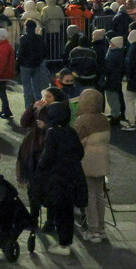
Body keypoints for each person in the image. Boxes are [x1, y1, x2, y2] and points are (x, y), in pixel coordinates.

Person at [34, 101, 86, 255]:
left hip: (58, 179)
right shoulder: (70, 131)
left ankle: (63, 245)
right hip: (72, 176)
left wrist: (40, 167)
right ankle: (66, 241)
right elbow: (80, 152)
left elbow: (48, 156)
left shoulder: (52, 132)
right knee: (68, 212)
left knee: (60, 212)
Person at [72, 88, 111, 242]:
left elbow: (76, 143)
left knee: (89, 196)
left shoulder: (82, 120)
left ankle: (93, 229)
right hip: (102, 162)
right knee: (100, 194)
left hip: (87, 162)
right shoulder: (104, 119)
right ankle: (101, 228)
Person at [0, 28, 16, 119]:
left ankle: (6, 110)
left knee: (0, 91)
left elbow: (1, 63)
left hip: (3, 73)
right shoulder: (6, 46)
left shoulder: (3, 47)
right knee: (1, 91)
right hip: (6, 72)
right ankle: (5, 110)